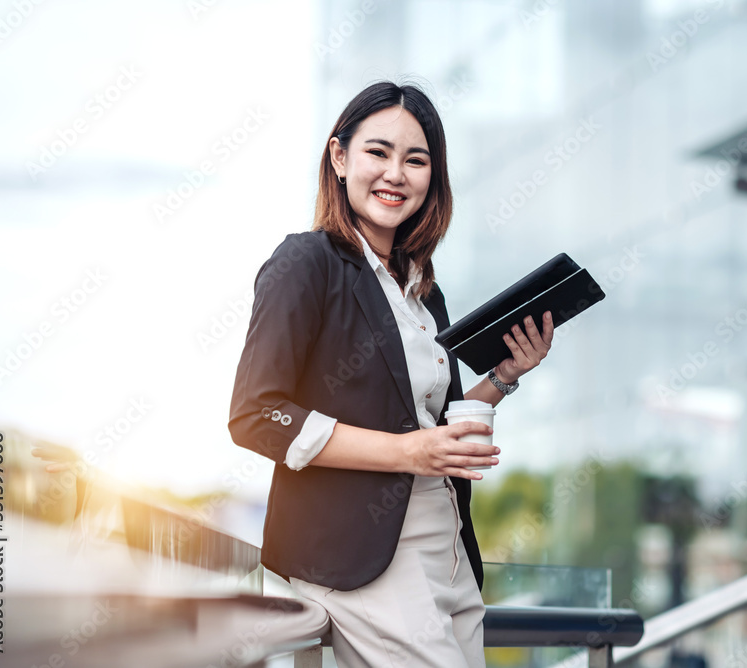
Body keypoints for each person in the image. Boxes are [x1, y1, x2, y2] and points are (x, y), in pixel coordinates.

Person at [227, 80, 554, 667]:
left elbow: (437, 425)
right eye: (379, 152)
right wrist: (408, 453)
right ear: (340, 157)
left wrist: (504, 376)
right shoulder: (306, 263)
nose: (396, 173)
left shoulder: (424, 293)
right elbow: (257, 416)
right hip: (367, 559)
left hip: (448, 545)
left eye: (417, 159)